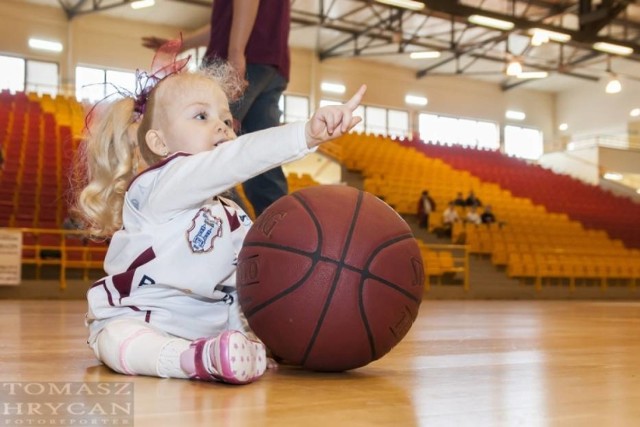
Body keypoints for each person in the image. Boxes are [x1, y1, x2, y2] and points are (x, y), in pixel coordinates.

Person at [73, 54, 367, 385]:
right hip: (140, 319)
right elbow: (235, 158)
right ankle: (189, 361)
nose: (221, 128)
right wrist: (305, 135)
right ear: (160, 142)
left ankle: (215, 355)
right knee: (116, 339)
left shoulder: (233, 215)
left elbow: (239, 288)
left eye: (227, 121)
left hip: (203, 332)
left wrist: (251, 336)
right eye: (201, 116)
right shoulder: (161, 185)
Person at [142, 0, 291, 218]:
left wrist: (236, 51)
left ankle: (233, 228)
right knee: (263, 162)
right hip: (269, 61)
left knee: (204, 151)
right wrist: (183, 44)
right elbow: (225, 22)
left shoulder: (237, 50)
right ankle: (279, 235)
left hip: (239, 57)